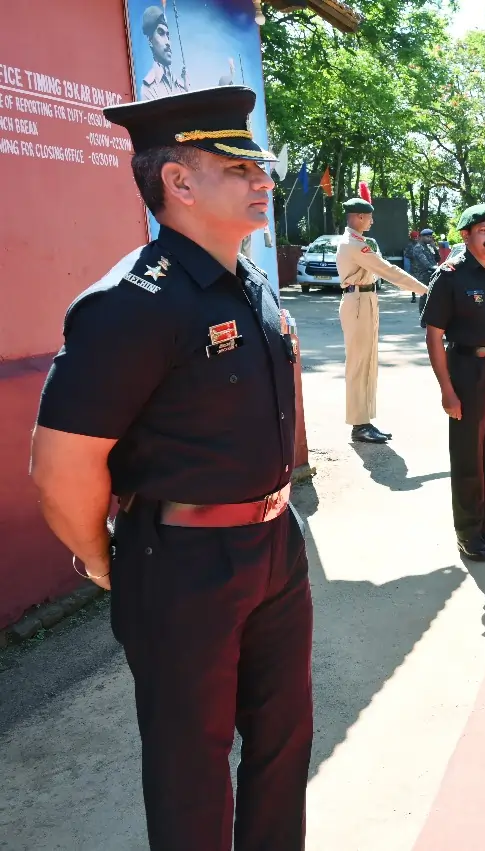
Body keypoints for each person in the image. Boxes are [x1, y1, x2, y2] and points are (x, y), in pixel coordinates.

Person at [30, 86, 310, 851]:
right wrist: (100, 556)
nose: (264, 180)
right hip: (182, 563)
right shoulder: (131, 304)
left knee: (285, 747)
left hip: (275, 547)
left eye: (262, 167)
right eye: (237, 167)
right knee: (191, 767)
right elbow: (62, 463)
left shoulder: (249, 284)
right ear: (178, 184)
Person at [421, 200, 485, 562]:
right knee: (469, 455)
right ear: (465, 236)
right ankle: (467, 532)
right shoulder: (450, 276)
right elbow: (434, 336)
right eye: (484, 232)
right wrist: (447, 390)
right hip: (469, 372)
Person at [335, 196, 429, 444]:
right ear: (358, 217)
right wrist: (425, 289)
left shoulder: (357, 242)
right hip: (358, 303)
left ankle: (364, 421)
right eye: (369, 216)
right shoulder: (353, 244)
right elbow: (388, 270)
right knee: (358, 364)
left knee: (367, 363)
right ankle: (359, 424)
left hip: (364, 300)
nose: (372, 220)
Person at [139, 7, 188, 101]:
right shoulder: (149, 88)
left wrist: (188, 92)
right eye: (161, 33)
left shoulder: (181, 85)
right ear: (150, 40)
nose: (168, 42)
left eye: (168, 35)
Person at [405, 230, 437, 305]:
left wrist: (434, 247)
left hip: (430, 273)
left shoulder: (428, 247)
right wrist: (414, 256)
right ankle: (414, 297)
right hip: (418, 269)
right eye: (414, 237)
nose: (430, 239)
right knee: (417, 285)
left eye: (430, 237)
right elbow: (407, 254)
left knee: (429, 295)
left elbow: (437, 259)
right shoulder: (414, 246)